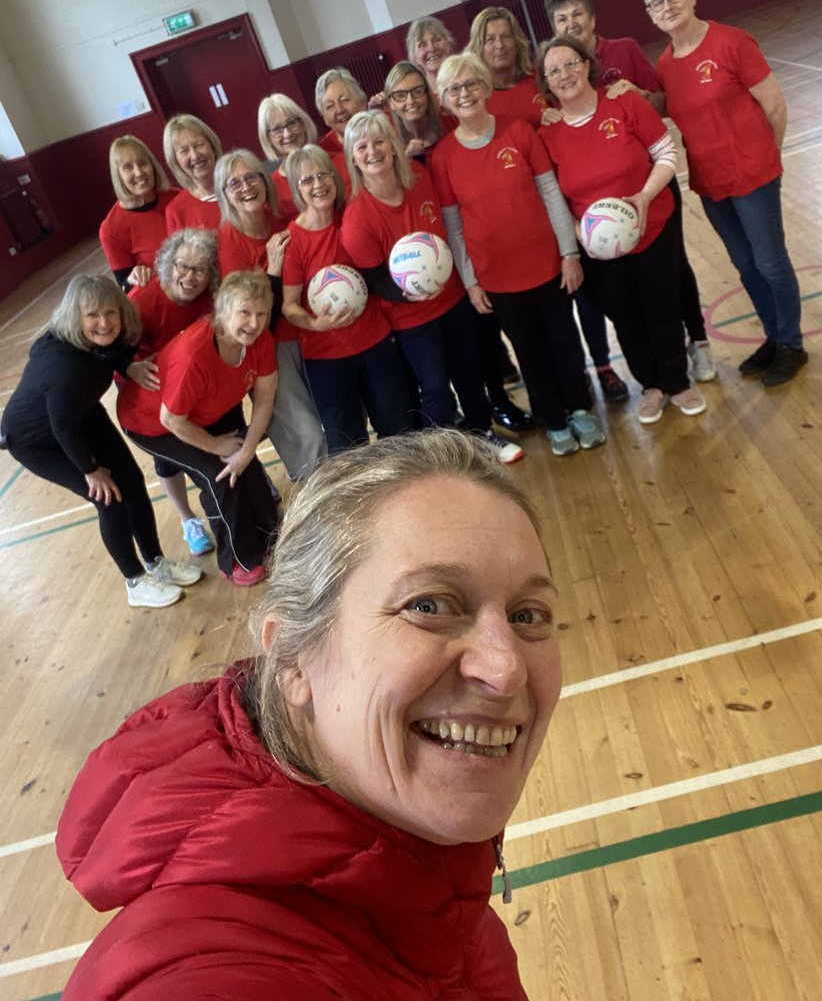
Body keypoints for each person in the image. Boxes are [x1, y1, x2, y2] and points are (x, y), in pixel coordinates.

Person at [56, 427, 562, 1000]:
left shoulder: (418, 876)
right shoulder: (215, 979)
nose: (507, 670)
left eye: (529, 615)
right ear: (294, 660)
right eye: (428, 605)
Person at [431, 53, 605, 456]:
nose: (465, 93)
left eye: (471, 83)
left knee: (564, 339)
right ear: (445, 100)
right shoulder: (443, 158)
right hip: (497, 277)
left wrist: (568, 252)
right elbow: (454, 227)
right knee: (528, 350)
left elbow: (551, 194)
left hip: (548, 265)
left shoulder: (519, 133)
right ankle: (554, 420)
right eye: (455, 88)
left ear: (485, 87)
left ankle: (578, 408)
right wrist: (471, 280)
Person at [544, 0, 715, 385]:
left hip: (647, 183)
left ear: (592, 17)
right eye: (561, 19)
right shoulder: (558, 68)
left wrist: (636, 95)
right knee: (623, 296)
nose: (572, 24)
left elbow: (662, 102)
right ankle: (647, 377)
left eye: (577, 14)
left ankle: (699, 343)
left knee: (671, 273)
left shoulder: (623, 50)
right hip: (597, 205)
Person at [643, 0, 807, 386]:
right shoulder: (665, 63)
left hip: (754, 177)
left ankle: (791, 343)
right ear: (650, 14)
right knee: (746, 265)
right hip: (711, 184)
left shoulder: (732, 42)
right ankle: (774, 337)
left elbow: (774, 105)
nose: (668, 6)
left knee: (770, 262)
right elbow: (670, 104)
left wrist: (767, 159)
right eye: (657, 2)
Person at [0, 276, 202, 608]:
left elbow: (107, 355)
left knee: (133, 481)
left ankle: (156, 562)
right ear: (76, 317)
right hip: (39, 439)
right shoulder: (63, 366)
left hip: (82, 413)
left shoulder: (106, 340)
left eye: (110, 312)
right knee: (110, 499)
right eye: (92, 315)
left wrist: (129, 366)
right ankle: (135, 582)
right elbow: (62, 427)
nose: (104, 323)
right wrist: (91, 470)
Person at [340, 110, 524, 465]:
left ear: (393, 146)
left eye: (379, 141)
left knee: (469, 370)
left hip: (452, 298)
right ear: (353, 158)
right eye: (361, 146)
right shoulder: (358, 216)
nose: (372, 151)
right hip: (411, 316)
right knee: (435, 385)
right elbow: (374, 278)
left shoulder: (421, 178)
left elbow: (452, 227)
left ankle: (481, 433)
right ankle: (441, 458)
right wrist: (405, 294)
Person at [384, 61, 534, 434]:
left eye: (417, 90)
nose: (411, 101)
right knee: (443, 360)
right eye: (400, 95)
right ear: (390, 102)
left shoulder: (452, 125)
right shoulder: (390, 145)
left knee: (484, 340)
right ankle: (458, 420)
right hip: (427, 262)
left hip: (471, 248)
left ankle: (498, 400)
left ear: (431, 94)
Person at [118, 271, 280, 586]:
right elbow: (171, 420)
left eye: (262, 314)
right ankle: (236, 560)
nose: (254, 322)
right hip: (151, 421)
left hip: (199, 413)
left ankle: (271, 535)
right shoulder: (193, 355)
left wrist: (246, 450)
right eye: (244, 312)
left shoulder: (260, 339)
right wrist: (216, 446)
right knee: (219, 475)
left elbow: (264, 399)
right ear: (222, 312)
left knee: (244, 464)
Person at [280, 143, 410, 451]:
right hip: (326, 356)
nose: (318, 185)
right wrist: (316, 323)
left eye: (323, 175)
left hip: (375, 341)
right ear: (297, 190)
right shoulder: (293, 241)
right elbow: (289, 305)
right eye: (307, 180)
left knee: (398, 428)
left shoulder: (353, 217)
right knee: (347, 443)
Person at [215, 150, 327, 483]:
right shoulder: (230, 241)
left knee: (332, 421)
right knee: (306, 436)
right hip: (270, 349)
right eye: (234, 182)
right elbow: (253, 322)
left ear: (265, 182)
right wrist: (274, 272)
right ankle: (318, 501)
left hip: (311, 333)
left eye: (252, 177)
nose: (246, 186)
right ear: (224, 194)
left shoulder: (288, 217)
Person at [128, 227, 220, 554]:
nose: (190, 276)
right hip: (153, 395)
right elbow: (116, 348)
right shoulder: (142, 301)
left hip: (198, 390)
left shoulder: (212, 294)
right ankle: (187, 521)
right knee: (168, 461)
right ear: (169, 264)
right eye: (183, 266)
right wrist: (130, 367)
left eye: (200, 269)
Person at [100, 137, 177, 289]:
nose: (139, 172)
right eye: (128, 167)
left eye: (143, 163)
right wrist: (133, 279)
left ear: (152, 165)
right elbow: (124, 288)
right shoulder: (111, 229)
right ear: (118, 176)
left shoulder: (176, 198)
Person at [465, 6, 547, 130]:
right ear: (479, 48)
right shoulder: (476, 97)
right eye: (490, 40)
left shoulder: (540, 77)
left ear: (517, 41)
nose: (499, 45)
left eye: (506, 37)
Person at [256, 93, 318, 213]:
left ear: (303, 124)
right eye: (277, 129)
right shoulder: (272, 189)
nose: (287, 134)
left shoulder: (336, 161)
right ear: (268, 138)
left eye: (291, 123)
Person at [162, 114, 223, 233]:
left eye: (199, 145)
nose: (195, 156)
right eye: (184, 151)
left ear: (213, 147)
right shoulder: (176, 211)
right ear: (175, 161)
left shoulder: (241, 185)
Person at [313, 67, 366, 182]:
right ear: (324, 118)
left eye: (345, 100)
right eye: (330, 106)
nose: (340, 110)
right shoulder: (322, 154)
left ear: (362, 102)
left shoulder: (384, 130)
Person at [407, 14, 457, 103]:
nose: (432, 48)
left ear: (448, 45)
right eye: (422, 45)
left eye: (436, 40)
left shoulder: (467, 80)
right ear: (415, 57)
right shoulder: (416, 97)